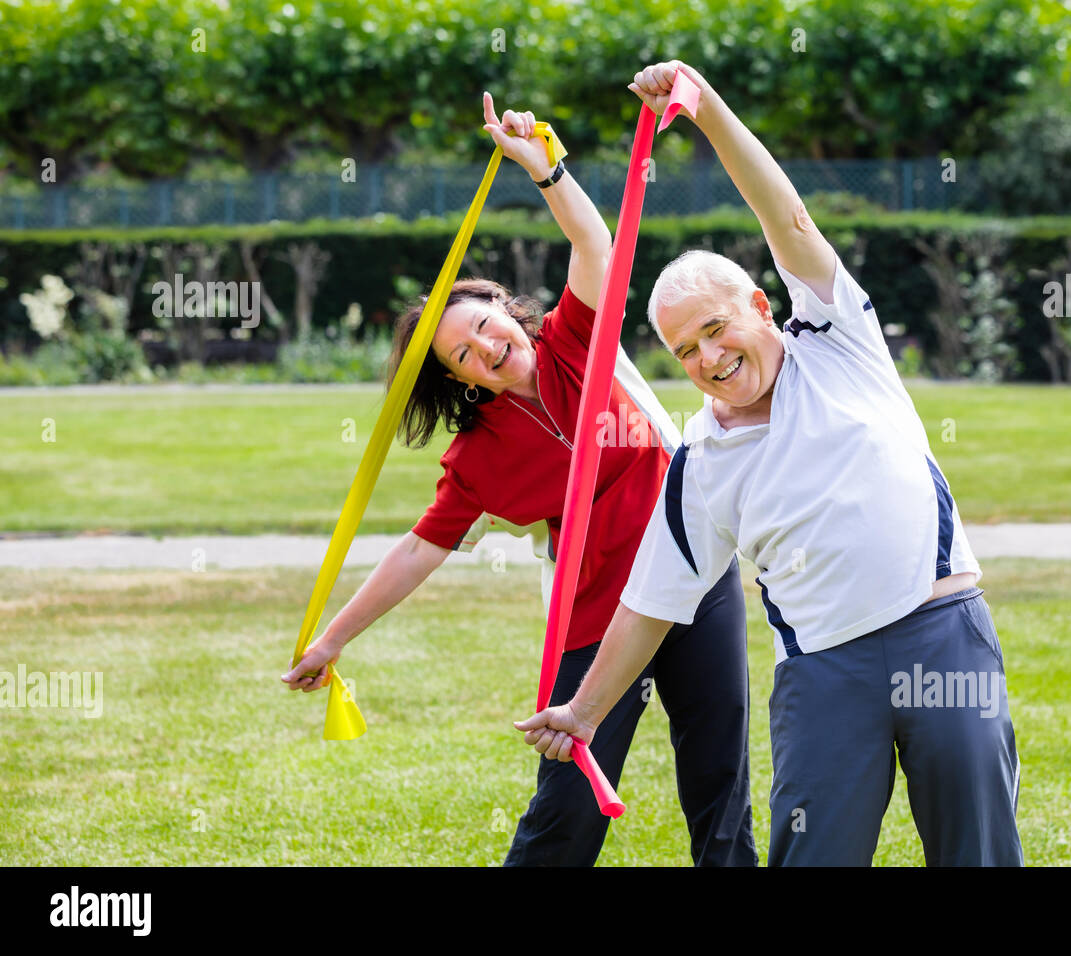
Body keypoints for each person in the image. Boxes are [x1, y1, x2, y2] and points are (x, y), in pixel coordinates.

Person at [515, 61, 1023, 866]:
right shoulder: (701, 461)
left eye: (717, 328)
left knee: (979, 851)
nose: (711, 357)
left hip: (941, 636)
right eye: (687, 350)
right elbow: (650, 604)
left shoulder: (837, 340)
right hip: (824, 673)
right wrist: (582, 712)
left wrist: (707, 108)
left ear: (761, 306)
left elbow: (784, 218)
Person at [284, 91, 757, 867]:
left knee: (718, 779)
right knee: (568, 800)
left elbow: (595, 241)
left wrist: (546, 170)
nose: (483, 349)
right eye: (462, 356)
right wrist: (331, 641)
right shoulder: (476, 460)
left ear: (507, 310)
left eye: (482, 326)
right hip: (598, 611)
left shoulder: (578, 338)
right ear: (462, 381)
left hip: (696, 575)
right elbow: (417, 550)